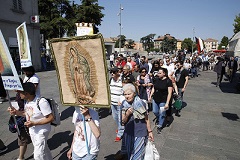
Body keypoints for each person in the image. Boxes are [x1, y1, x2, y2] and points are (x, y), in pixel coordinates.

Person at [8, 82, 54, 160]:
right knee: (44, 149)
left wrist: (34, 123)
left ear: (26, 93)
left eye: (20, 93)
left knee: (38, 155)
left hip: (41, 131)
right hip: (33, 131)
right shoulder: (27, 102)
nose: (19, 94)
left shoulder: (41, 102)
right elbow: (27, 113)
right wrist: (16, 112)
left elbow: (50, 118)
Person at [120, 84, 154, 160]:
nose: (127, 96)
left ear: (134, 93)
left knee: (137, 156)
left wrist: (150, 131)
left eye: (129, 94)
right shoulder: (124, 104)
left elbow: (146, 119)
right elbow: (123, 122)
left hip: (140, 132)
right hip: (129, 133)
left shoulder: (141, 103)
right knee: (130, 154)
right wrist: (127, 114)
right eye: (125, 94)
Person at [150, 67, 173, 133]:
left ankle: (160, 125)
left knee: (162, 113)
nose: (158, 74)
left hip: (163, 99)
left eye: (159, 73)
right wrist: (150, 95)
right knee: (155, 111)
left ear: (164, 74)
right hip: (156, 98)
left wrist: (167, 103)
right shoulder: (157, 79)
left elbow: (170, 93)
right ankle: (159, 118)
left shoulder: (168, 81)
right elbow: (154, 88)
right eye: (158, 72)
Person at [109, 66, 124, 142]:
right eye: (111, 72)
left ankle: (120, 134)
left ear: (117, 72)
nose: (112, 74)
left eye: (113, 72)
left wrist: (121, 100)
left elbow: (124, 92)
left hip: (119, 103)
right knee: (115, 117)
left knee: (120, 118)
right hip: (112, 102)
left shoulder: (122, 80)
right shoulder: (111, 80)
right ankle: (120, 128)